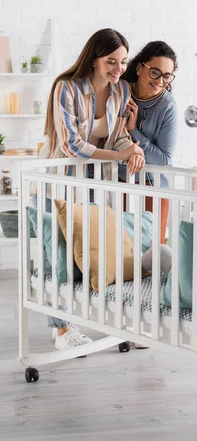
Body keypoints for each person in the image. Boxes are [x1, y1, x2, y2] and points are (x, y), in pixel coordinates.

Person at [40, 28, 145, 351]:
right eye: (111, 61)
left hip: (96, 183)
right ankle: (61, 330)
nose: (118, 68)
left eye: (123, 62)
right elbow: (73, 144)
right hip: (62, 180)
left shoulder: (121, 91)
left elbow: (117, 138)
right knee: (58, 253)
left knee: (102, 251)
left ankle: (112, 318)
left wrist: (134, 147)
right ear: (94, 58)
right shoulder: (66, 88)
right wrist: (118, 155)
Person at [123, 41, 178, 244]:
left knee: (154, 249)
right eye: (155, 72)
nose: (160, 81)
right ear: (139, 68)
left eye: (166, 76)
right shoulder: (121, 92)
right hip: (122, 179)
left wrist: (133, 130)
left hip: (155, 184)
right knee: (122, 246)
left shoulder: (167, 106)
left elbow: (164, 160)